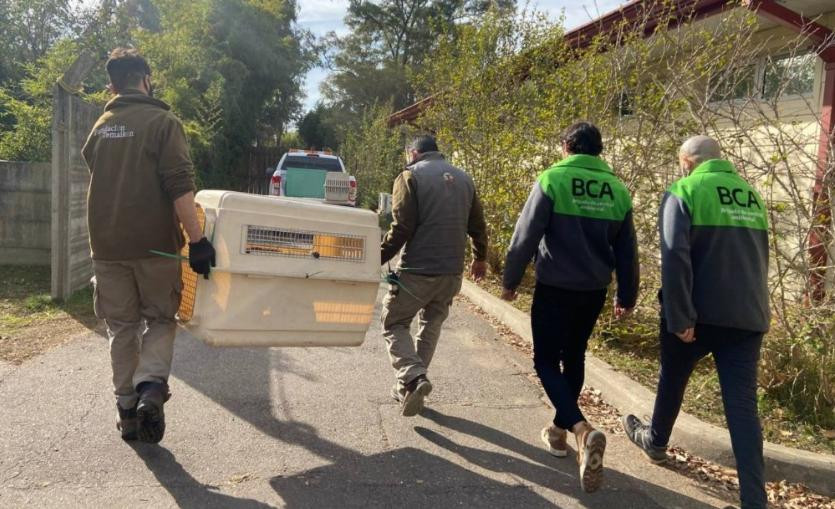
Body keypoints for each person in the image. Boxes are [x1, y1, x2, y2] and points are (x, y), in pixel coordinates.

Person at [621, 136, 769, 509]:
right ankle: (755, 500)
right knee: (742, 407)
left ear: (687, 161)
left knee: (673, 378)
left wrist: (680, 315)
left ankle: (655, 442)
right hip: (748, 317)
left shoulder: (683, 190)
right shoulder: (751, 197)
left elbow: (675, 258)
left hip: (698, 316)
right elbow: (760, 258)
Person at [83, 48, 215, 444]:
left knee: (121, 327)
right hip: (155, 247)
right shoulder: (163, 122)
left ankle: (127, 413)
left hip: (105, 247)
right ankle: (150, 388)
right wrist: (198, 240)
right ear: (146, 77)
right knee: (159, 318)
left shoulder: (100, 127)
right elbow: (179, 186)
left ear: (112, 84)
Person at [502, 122, 639, 493]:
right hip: (593, 290)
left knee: (545, 361)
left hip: (554, 287)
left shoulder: (554, 179)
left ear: (566, 146)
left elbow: (525, 234)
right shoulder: (617, 190)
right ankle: (559, 434)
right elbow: (627, 250)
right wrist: (627, 296)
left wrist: (510, 280)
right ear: (599, 151)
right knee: (574, 357)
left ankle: (580, 429)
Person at [380, 135, 488, 417]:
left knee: (394, 322)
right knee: (431, 324)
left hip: (418, 270)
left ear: (413, 153)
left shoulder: (409, 176)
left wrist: (376, 258)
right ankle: (409, 387)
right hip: (451, 273)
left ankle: (413, 377)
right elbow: (477, 225)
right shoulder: (465, 179)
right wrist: (480, 258)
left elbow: (401, 227)